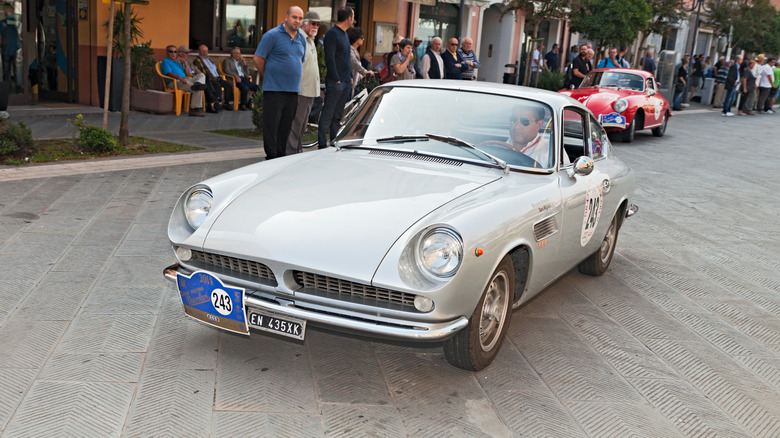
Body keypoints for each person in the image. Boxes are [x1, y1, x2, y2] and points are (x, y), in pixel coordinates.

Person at [254, 6, 306, 159]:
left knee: (286, 126)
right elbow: (258, 59)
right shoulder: (272, 35)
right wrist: (268, 75)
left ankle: (281, 155)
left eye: (300, 18)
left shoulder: (301, 38)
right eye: (294, 17)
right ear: (286, 17)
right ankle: (271, 156)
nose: (297, 21)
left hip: (293, 91)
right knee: (271, 126)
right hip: (274, 89)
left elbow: (299, 61)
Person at [318, 7, 354, 149]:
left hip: (345, 82)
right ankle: (321, 145)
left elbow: (345, 58)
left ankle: (333, 143)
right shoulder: (332, 34)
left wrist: (350, 77)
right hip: (336, 82)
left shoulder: (345, 34)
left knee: (337, 116)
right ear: (348, 18)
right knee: (327, 115)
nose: (353, 19)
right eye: (353, 17)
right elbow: (330, 58)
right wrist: (336, 78)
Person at [286, 10, 320, 156]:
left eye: (318, 24)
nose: (316, 26)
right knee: (296, 124)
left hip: (310, 90)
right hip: (301, 89)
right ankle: (291, 153)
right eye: (313, 23)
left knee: (302, 125)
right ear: (305, 23)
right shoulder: (299, 38)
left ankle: (297, 150)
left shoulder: (310, 40)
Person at [160, 44, 207, 117]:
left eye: (175, 52)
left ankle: (198, 84)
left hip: (185, 80)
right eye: (171, 51)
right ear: (167, 52)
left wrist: (185, 63)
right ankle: (195, 109)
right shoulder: (166, 61)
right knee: (197, 88)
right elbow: (169, 73)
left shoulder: (176, 62)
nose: (173, 53)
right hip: (174, 82)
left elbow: (187, 73)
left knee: (202, 75)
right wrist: (180, 78)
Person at [193, 44, 235, 112]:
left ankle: (227, 103)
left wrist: (220, 75)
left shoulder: (209, 60)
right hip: (210, 79)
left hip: (217, 77)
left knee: (228, 85)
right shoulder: (197, 61)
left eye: (206, 51)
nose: (205, 53)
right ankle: (216, 104)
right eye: (203, 51)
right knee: (217, 85)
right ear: (199, 51)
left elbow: (215, 69)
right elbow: (201, 72)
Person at [347, 27, 374, 95]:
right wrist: (365, 72)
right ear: (356, 38)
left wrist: (361, 76)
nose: (363, 39)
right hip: (349, 84)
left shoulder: (356, 51)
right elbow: (354, 63)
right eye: (361, 37)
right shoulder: (350, 50)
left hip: (355, 84)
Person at [0, 4, 21, 82]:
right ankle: (7, 87)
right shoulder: (3, 23)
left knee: (15, 71)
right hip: (8, 49)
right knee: (7, 71)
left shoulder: (15, 23)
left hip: (14, 49)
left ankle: (17, 87)